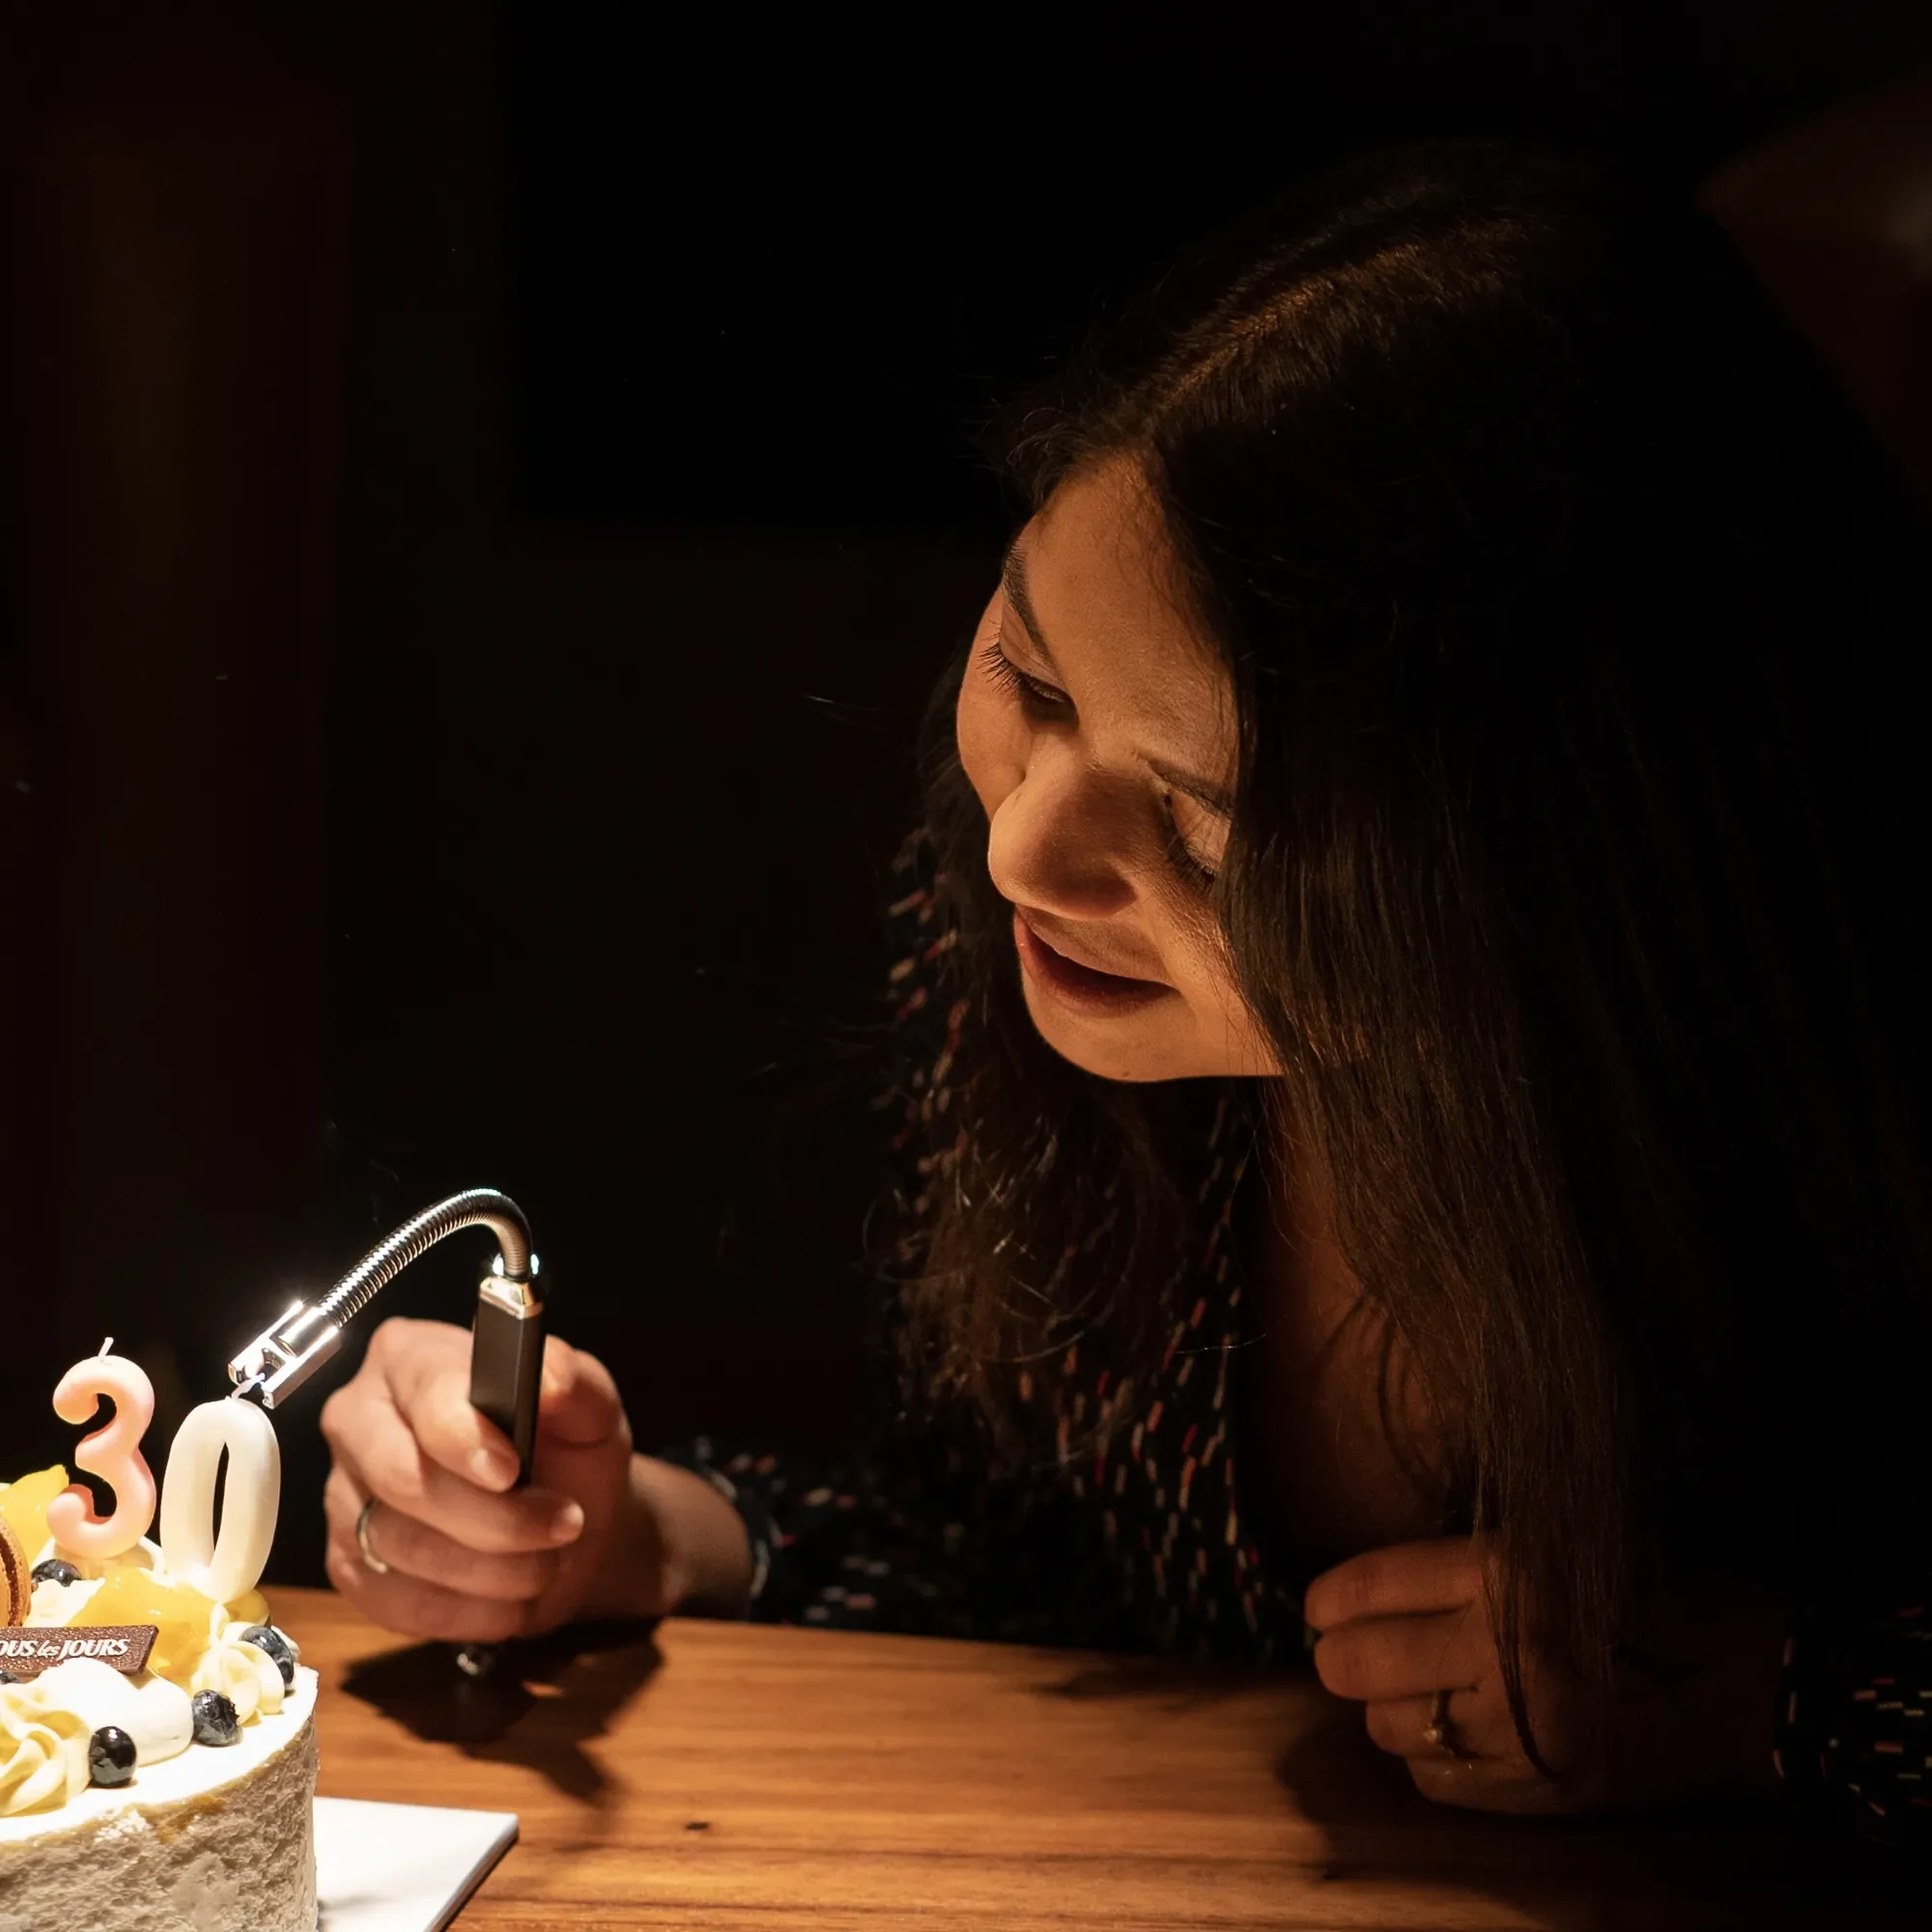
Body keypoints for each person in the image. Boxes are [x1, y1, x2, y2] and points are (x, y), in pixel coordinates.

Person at [319, 140, 1932, 1844]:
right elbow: (1019, 1565)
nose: (1026, 844)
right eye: (1031, 671)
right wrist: (635, 1534)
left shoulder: (1853, 1135)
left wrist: (1778, 1703)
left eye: (1211, 838)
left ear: (1541, 911)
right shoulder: (1046, 944)